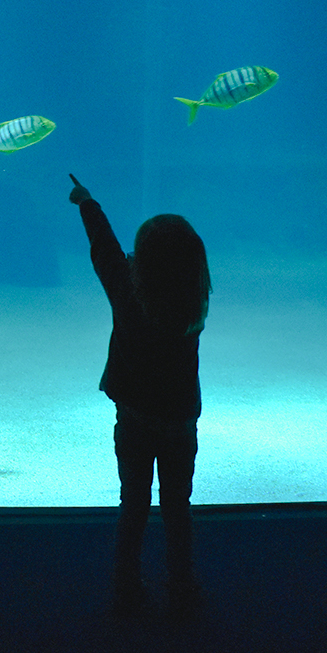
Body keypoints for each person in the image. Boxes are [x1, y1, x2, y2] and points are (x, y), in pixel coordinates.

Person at [68, 175, 209, 619]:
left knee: (133, 505)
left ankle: (126, 586)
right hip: (180, 420)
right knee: (177, 507)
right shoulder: (194, 299)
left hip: (133, 416)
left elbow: (105, 251)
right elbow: (146, 261)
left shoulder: (128, 294)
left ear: (140, 262)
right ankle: (182, 587)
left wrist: (87, 202)